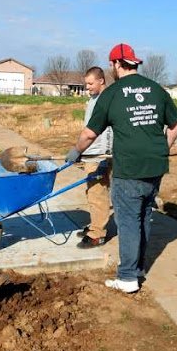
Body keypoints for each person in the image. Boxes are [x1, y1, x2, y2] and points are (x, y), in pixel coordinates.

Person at [66, 43, 177, 293]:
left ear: (116, 64)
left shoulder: (111, 94)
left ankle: (128, 277)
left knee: (128, 221)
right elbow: (176, 124)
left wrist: (76, 151)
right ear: (134, 63)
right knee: (143, 216)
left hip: (129, 167)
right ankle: (138, 268)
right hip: (156, 165)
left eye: (112, 65)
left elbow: (89, 134)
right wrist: (163, 148)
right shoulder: (156, 89)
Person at [77, 66, 113, 249]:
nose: (87, 87)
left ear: (101, 80)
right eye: (86, 84)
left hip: (99, 154)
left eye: (90, 83)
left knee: (97, 193)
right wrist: (81, 151)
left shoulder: (106, 100)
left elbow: (106, 133)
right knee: (92, 192)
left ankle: (98, 234)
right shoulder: (94, 98)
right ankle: (95, 225)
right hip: (91, 152)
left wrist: (104, 159)